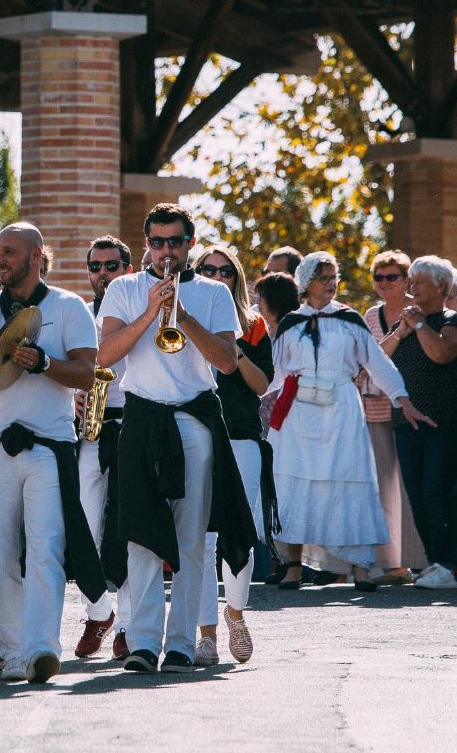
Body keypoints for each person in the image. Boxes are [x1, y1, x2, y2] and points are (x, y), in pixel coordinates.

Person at [96, 205, 254, 675]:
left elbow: (226, 362)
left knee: (192, 539)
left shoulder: (213, 293)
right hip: (142, 417)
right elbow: (104, 356)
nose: (167, 251)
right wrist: (151, 312)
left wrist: (181, 316)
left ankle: (183, 643)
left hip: (193, 418)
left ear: (190, 244)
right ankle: (144, 642)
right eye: (158, 242)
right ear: (146, 243)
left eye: (176, 242)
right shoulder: (124, 288)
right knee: (140, 535)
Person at [0, 223, 101, 684]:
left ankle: (40, 648)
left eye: (10, 252)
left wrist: (44, 363)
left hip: (48, 445)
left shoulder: (69, 306)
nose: (0, 260)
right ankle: (9, 648)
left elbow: (86, 373)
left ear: (37, 255)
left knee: (46, 547)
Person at [270, 252, 437, 593]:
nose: (331, 283)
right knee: (297, 483)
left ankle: (361, 566)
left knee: (351, 478)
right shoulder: (291, 323)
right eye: (323, 278)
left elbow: (377, 362)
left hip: (342, 408)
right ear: (306, 282)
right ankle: (293, 566)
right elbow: (275, 372)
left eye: (334, 277)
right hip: (300, 412)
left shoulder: (349, 319)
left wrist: (401, 399)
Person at [193, 243, 271, 665]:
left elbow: (261, 386)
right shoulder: (183, 318)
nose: (217, 277)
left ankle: (236, 615)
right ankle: (206, 633)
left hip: (240, 435)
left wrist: (232, 348)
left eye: (225, 271)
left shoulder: (253, 325)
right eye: (208, 270)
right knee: (202, 538)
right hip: (195, 432)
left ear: (237, 278)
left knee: (241, 531)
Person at [379, 256, 457, 591]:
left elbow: (441, 353)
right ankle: (436, 562)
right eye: (412, 281)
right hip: (407, 423)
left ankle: (449, 564)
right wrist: (403, 329)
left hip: (445, 424)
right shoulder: (407, 322)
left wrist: (420, 326)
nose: (413, 288)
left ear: (442, 287)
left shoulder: (453, 322)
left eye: (420, 282)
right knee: (418, 496)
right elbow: (379, 359)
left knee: (441, 493)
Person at [75, 235, 132, 661]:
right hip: (90, 430)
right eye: (95, 267)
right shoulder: (79, 314)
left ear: (126, 269)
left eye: (111, 266)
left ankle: (128, 625)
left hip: (132, 424)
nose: (102, 274)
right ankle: (99, 612)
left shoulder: (138, 311)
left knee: (128, 531)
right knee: (82, 529)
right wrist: (72, 397)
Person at [359, 250, 426, 583]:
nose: (384, 283)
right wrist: (397, 335)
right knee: (383, 489)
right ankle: (392, 565)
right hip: (374, 409)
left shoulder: (419, 311)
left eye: (392, 277)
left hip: (410, 408)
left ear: (406, 280)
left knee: (411, 487)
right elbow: (368, 359)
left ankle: (420, 560)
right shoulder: (371, 316)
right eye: (379, 277)